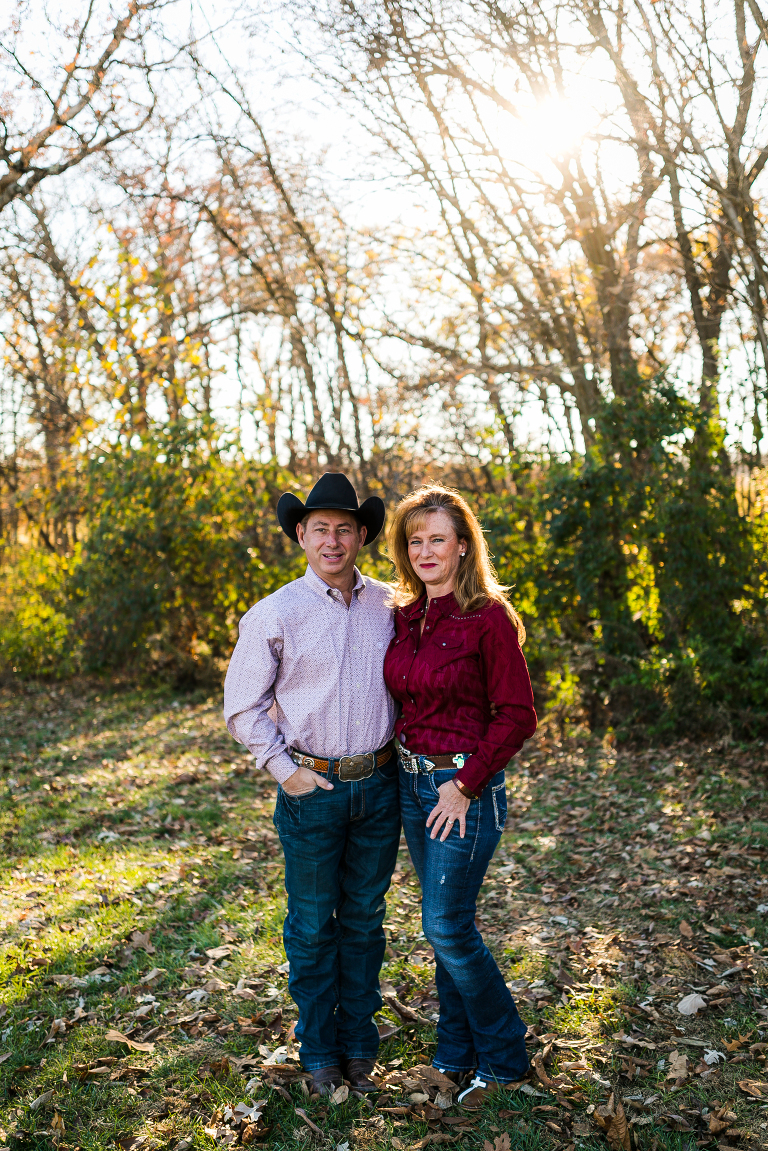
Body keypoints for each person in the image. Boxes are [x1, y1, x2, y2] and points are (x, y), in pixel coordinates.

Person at [223, 472, 400, 1096]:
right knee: (311, 924)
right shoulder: (274, 613)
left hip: (380, 787)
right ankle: (320, 1050)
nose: (332, 541)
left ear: (361, 537)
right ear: (301, 534)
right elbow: (243, 705)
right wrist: (284, 771)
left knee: (363, 919)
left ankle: (358, 1043)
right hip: (312, 789)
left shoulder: (391, 605)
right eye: (320, 528)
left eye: (344, 530)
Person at [383, 483, 537, 1110]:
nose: (424, 550)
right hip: (409, 783)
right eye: (414, 540)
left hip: (460, 792)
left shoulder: (489, 618)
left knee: (446, 927)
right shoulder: (404, 616)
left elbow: (517, 714)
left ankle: (503, 1058)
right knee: (447, 926)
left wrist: (465, 783)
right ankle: (453, 1052)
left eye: (437, 539)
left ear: (463, 546)